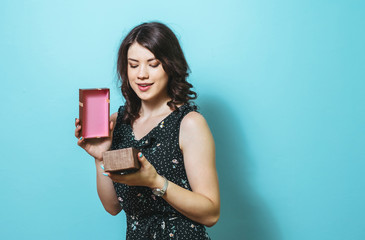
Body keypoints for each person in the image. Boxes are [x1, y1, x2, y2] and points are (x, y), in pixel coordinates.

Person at [75, 21, 220, 239]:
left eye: (153, 64)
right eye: (134, 65)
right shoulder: (117, 123)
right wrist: (100, 157)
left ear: (170, 66)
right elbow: (113, 207)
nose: (142, 74)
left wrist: (155, 182)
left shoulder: (189, 123)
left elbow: (211, 214)